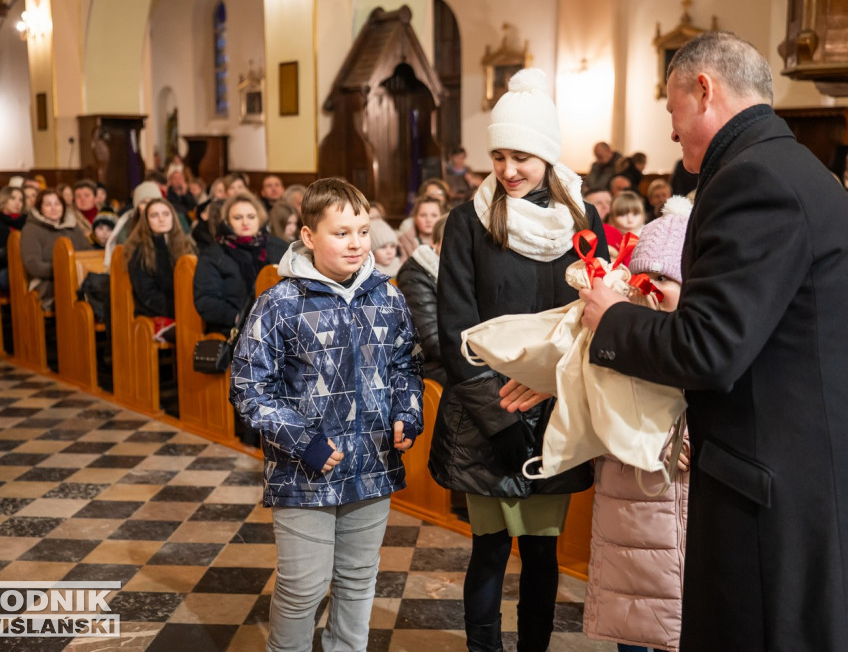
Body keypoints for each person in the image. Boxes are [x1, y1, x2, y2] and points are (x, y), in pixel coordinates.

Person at [577, 30, 848, 650]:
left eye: (672, 111)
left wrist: (614, 316)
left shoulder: (750, 180)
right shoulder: (802, 170)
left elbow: (712, 348)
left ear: (704, 90)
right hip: (818, 478)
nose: (672, 133)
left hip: (775, 496)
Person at [431, 68, 606, 652]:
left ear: (549, 157)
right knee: (488, 548)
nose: (508, 170)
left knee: (541, 551)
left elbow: (596, 318)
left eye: (523, 157)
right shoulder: (468, 223)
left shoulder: (583, 223)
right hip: (487, 413)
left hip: (556, 411)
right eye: (499, 155)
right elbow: (455, 328)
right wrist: (500, 417)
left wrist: (551, 388)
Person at [230, 177, 423, 652]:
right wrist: (306, 443)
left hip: (373, 463)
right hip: (303, 471)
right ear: (309, 236)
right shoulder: (281, 303)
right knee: (303, 588)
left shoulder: (388, 296)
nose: (357, 243)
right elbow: (249, 388)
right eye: (342, 233)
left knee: (358, 581)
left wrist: (407, 412)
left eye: (363, 230)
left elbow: (406, 365)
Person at [584, 196, 693, 652]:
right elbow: (601, 404)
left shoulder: (696, 339)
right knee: (633, 611)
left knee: (680, 613)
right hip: (631, 497)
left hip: (685, 499)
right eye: (645, 276)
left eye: (666, 278)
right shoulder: (622, 335)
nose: (652, 288)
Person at [193, 193, 269, 336]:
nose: (245, 222)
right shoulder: (214, 254)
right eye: (238, 218)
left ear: (260, 219)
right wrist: (237, 317)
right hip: (233, 329)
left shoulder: (274, 247)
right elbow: (205, 300)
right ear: (227, 222)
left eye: (251, 217)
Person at [123, 197, 196, 342]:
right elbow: (148, 295)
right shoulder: (140, 252)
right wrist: (179, 310)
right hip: (154, 313)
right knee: (188, 335)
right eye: (154, 215)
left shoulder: (185, 245)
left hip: (183, 309)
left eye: (166, 214)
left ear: (173, 218)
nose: (161, 219)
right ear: (147, 221)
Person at [20, 189, 92, 310]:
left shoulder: (72, 227)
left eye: (57, 204)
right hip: (47, 282)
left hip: (78, 278)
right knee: (73, 290)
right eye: (48, 204)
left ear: (63, 206)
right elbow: (33, 265)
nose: (54, 208)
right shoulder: (31, 229)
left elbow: (88, 253)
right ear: (40, 208)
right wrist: (62, 269)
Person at [397, 214, 446, 386]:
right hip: (427, 361)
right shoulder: (415, 273)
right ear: (435, 243)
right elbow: (432, 339)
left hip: (455, 355)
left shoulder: (461, 271)